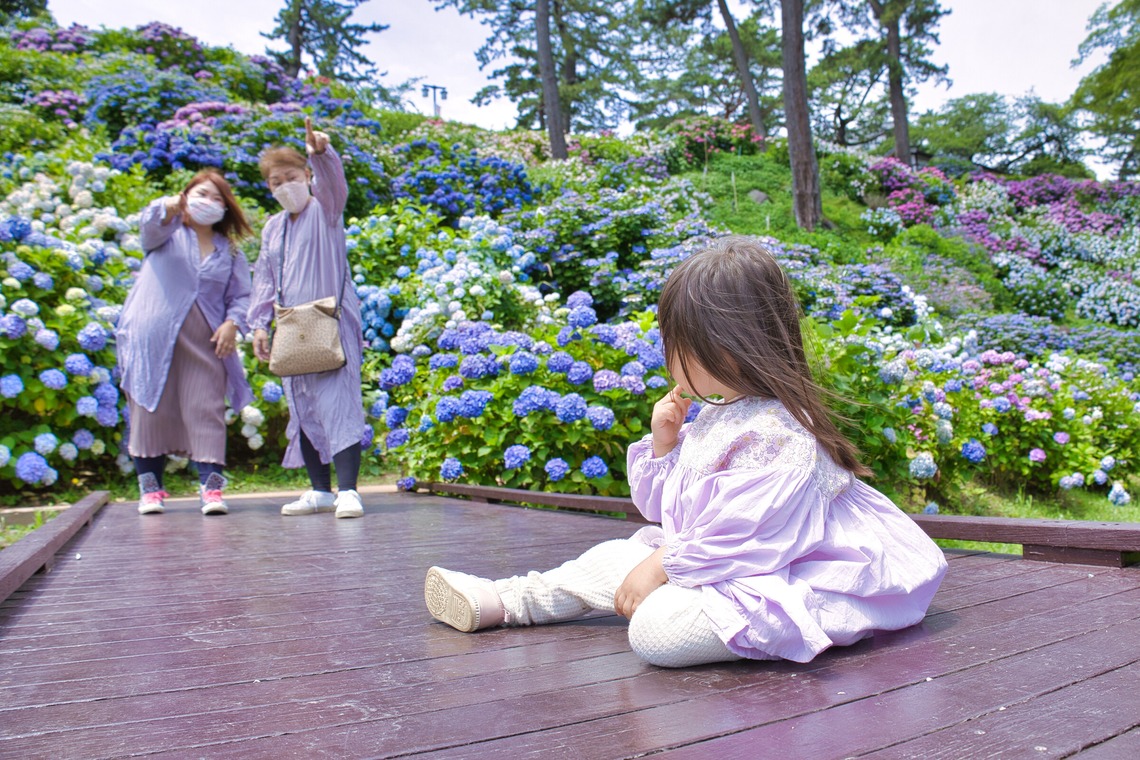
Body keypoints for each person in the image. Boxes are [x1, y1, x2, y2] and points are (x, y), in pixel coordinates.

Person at [424, 236, 948, 668]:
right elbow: (663, 512)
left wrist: (662, 566)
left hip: (796, 572)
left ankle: (680, 603)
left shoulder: (785, 438)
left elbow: (745, 536)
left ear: (736, 346)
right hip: (721, 563)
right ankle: (506, 601)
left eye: (682, 348)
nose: (672, 362)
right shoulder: (723, 413)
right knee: (614, 558)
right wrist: (665, 444)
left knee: (657, 631)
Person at [116, 171, 254, 516]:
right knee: (151, 408)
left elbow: (241, 296)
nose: (209, 202)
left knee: (205, 408)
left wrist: (232, 323)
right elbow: (148, 223)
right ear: (185, 196)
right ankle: (150, 490)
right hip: (153, 336)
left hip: (206, 341)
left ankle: (211, 491)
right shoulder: (165, 233)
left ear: (226, 208)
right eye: (201, 194)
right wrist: (169, 205)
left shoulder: (231, 252)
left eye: (217, 198)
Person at [248, 117, 366, 519]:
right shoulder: (273, 228)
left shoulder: (324, 210)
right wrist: (259, 325)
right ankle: (319, 490)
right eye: (276, 182)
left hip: (330, 319)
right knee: (301, 406)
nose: (285, 187)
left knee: (338, 401)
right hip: (292, 328)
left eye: (291, 176)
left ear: (306, 175)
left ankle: (348, 490)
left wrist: (321, 153)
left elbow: (335, 185)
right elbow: (263, 277)